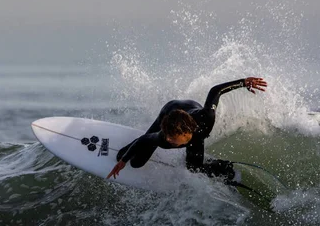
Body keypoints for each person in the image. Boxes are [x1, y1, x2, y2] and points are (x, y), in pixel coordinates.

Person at [106, 77, 267, 182]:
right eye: (168, 138)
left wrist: (243, 82)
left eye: (173, 140)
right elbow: (144, 140)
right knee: (135, 163)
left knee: (194, 169)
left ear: (186, 133)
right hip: (168, 112)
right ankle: (124, 155)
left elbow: (215, 91)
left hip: (188, 111)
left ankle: (223, 168)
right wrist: (123, 161)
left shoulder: (206, 118)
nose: (169, 142)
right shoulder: (163, 137)